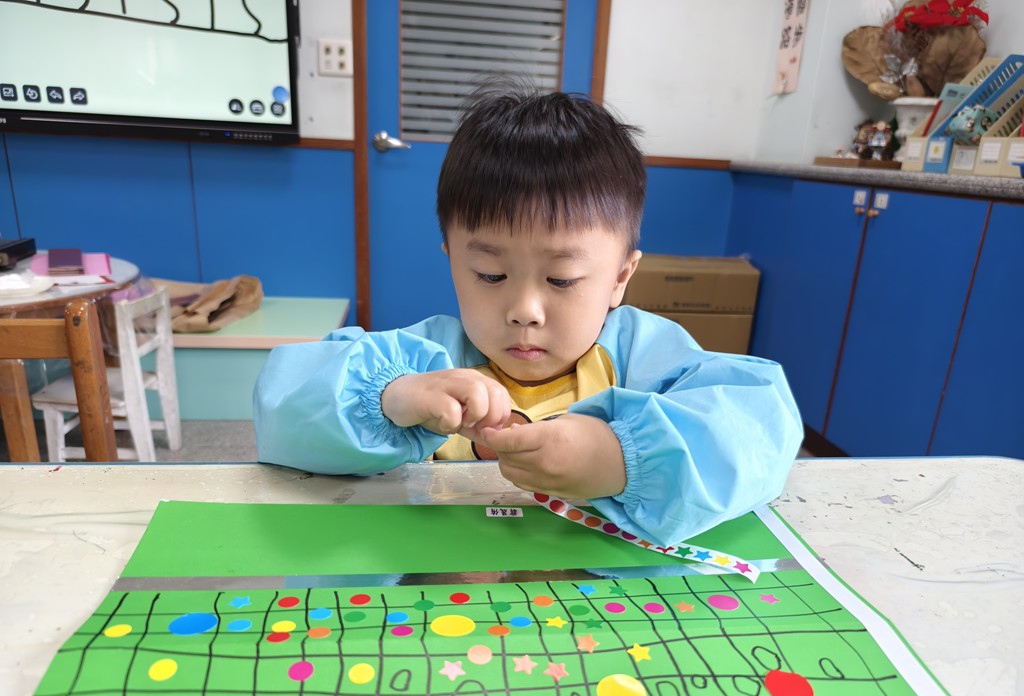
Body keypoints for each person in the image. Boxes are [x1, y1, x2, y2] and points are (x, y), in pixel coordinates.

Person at [254, 80, 803, 547]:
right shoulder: (424, 359)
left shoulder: (642, 354)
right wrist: (388, 399)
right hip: (445, 591)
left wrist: (621, 458)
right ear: (453, 262)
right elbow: (285, 409)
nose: (523, 311)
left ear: (620, 277)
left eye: (561, 280)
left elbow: (761, 427)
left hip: (596, 597)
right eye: (490, 275)